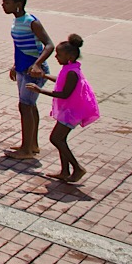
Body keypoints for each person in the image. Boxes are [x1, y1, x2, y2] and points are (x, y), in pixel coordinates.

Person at [26, 35, 100, 183]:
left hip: (72, 111)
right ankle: (65, 171)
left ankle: (77, 168)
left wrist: (39, 90)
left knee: (56, 138)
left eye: (59, 54)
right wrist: (45, 75)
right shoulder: (69, 68)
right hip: (68, 110)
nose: (56, 57)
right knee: (61, 139)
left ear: (70, 56)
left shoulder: (73, 73)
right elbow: (60, 79)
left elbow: (64, 93)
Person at [2, 0, 55, 160]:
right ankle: (31, 144)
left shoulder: (31, 21)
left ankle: (26, 150)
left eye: (7, 2)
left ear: (18, 4)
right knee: (29, 106)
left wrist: (37, 64)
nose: (3, 5)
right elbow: (20, 46)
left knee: (25, 106)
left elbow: (49, 45)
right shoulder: (16, 20)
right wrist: (15, 65)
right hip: (23, 69)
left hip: (34, 71)